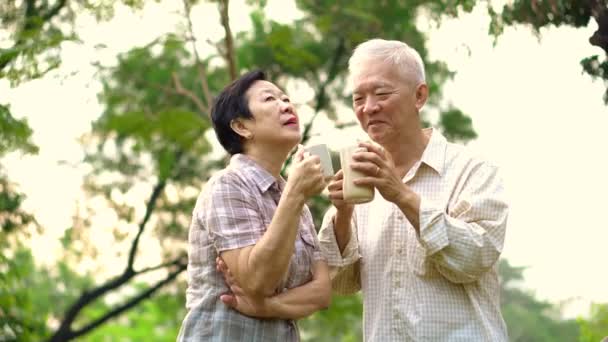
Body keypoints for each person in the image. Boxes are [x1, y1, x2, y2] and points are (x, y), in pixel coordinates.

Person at [318, 39, 509, 341]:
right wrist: (342, 213)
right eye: (358, 98)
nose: (369, 107)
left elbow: (475, 258)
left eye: (381, 93)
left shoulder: (472, 170)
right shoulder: (359, 179)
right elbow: (341, 282)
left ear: (419, 96)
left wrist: (400, 194)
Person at [177, 70, 331, 342]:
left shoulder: (295, 203)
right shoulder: (227, 186)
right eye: (270, 99)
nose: (286, 104)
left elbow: (321, 292)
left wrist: (265, 307)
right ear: (242, 127)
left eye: (285, 98)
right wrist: (295, 194)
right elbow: (258, 280)